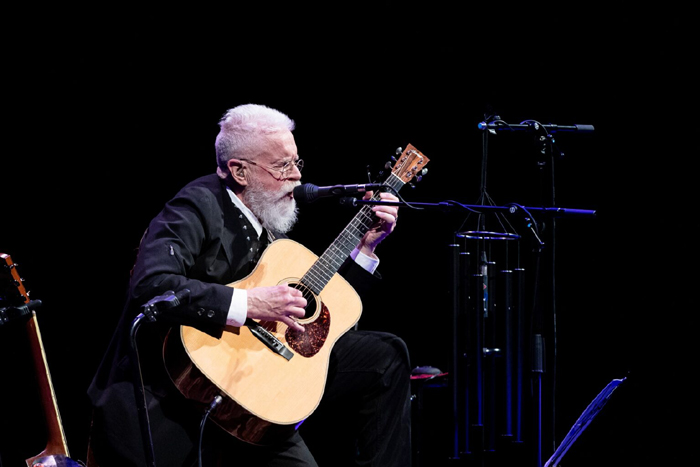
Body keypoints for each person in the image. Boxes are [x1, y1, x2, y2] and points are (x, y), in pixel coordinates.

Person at [87, 103, 412, 466]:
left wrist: (366, 247)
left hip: (253, 393)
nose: (296, 178)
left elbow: (330, 321)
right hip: (173, 398)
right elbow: (151, 284)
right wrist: (249, 304)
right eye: (281, 166)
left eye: (296, 163)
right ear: (239, 171)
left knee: (384, 356)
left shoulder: (267, 225)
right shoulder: (196, 205)